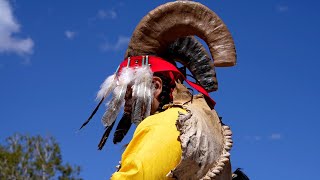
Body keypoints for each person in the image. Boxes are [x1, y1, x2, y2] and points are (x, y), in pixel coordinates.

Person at [81, 1, 243, 179]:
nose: (124, 106)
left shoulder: (164, 124)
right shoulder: (199, 122)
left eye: (128, 94)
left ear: (156, 87)